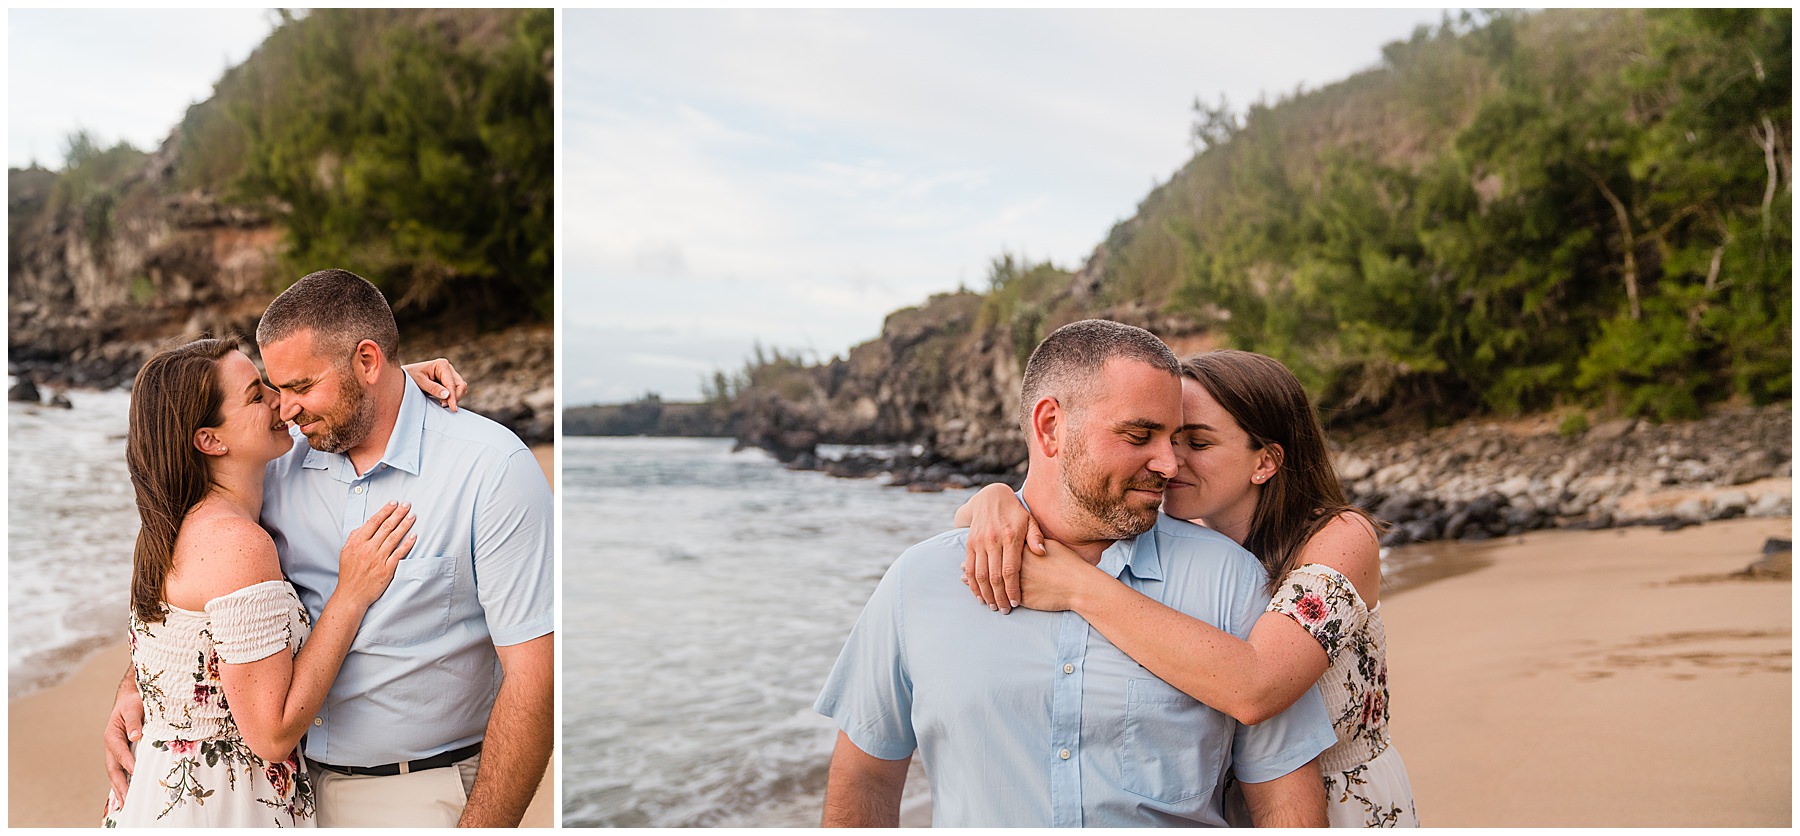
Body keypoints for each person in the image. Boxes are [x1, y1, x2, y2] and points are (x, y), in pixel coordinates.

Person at [815, 320, 1336, 827]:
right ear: (1050, 428)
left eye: (1178, 438)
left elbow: (1284, 800)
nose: (1170, 464)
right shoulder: (919, 581)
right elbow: (865, 780)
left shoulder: (1230, 580)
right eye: (1139, 435)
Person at [105, 269, 554, 827]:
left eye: (297, 387)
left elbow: (537, 679)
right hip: (279, 796)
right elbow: (197, 586)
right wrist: (143, 685)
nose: (285, 409)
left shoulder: (489, 469)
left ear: (367, 362)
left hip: (414, 796)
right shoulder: (272, 466)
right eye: (272, 388)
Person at [960, 349, 1419, 827]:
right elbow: (1040, 505)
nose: (1167, 463)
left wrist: (1077, 586)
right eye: (1164, 437)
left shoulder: (1340, 537)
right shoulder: (1186, 538)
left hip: (1339, 806)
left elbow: (1256, 687)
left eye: (1196, 444)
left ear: (1264, 462)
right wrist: (995, 500)